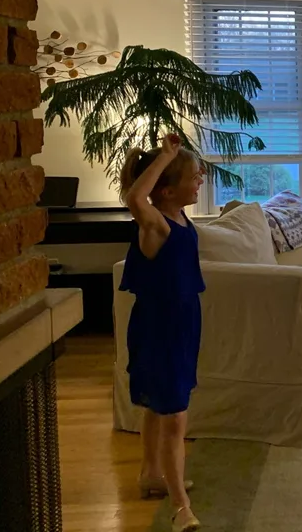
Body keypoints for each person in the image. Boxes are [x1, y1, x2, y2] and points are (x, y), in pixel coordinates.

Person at [118, 135, 205, 532]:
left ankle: (151, 474)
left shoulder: (182, 219)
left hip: (182, 324)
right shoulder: (155, 224)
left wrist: (176, 159)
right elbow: (136, 200)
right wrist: (168, 156)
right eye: (193, 175)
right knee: (174, 418)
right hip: (159, 329)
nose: (201, 177)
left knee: (158, 406)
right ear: (166, 190)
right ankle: (179, 506)